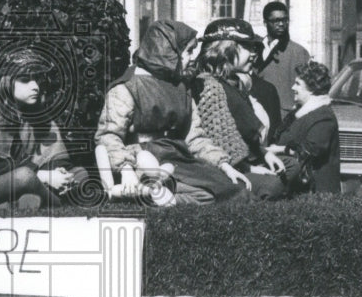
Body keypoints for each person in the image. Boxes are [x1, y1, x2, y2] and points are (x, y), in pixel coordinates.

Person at [95, 20, 250, 205]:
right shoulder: (126, 88)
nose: (193, 58)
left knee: (233, 189)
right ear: (168, 52)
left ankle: (159, 197)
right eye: (189, 51)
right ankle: (156, 195)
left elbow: (195, 137)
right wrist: (126, 169)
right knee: (208, 193)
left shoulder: (181, 88)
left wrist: (223, 165)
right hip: (143, 161)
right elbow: (109, 136)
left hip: (176, 158)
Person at [0, 48, 88, 211]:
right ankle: (47, 200)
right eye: (25, 80)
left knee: (80, 174)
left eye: (37, 80)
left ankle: (16, 201)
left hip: (23, 180)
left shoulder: (40, 118)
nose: (35, 86)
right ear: (6, 82)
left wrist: (60, 172)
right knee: (25, 177)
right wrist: (43, 176)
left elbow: (54, 158)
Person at [190, 19, 285, 200]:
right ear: (226, 49)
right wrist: (250, 166)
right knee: (273, 184)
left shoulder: (231, 84)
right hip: (219, 168)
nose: (254, 54)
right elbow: (224, 142)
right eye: (248, 47)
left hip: (239, 163)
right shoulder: (209, 87)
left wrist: (262, 154)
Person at [268, 61, 341, 194]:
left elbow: (311, 150)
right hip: (297, 189)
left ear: (312, 89)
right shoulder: (298, 112)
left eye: (298, 84)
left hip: (316, 194)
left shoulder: (324, 116)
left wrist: (278, 149)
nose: (292, 87)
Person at [256, 1, 311, 115]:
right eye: (276, 21)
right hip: (257, 115)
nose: (281, 24)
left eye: (284, 20)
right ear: (265, 22)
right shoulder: (255, 48)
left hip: (283, 117)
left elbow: (307, 90)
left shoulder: (298, 52)